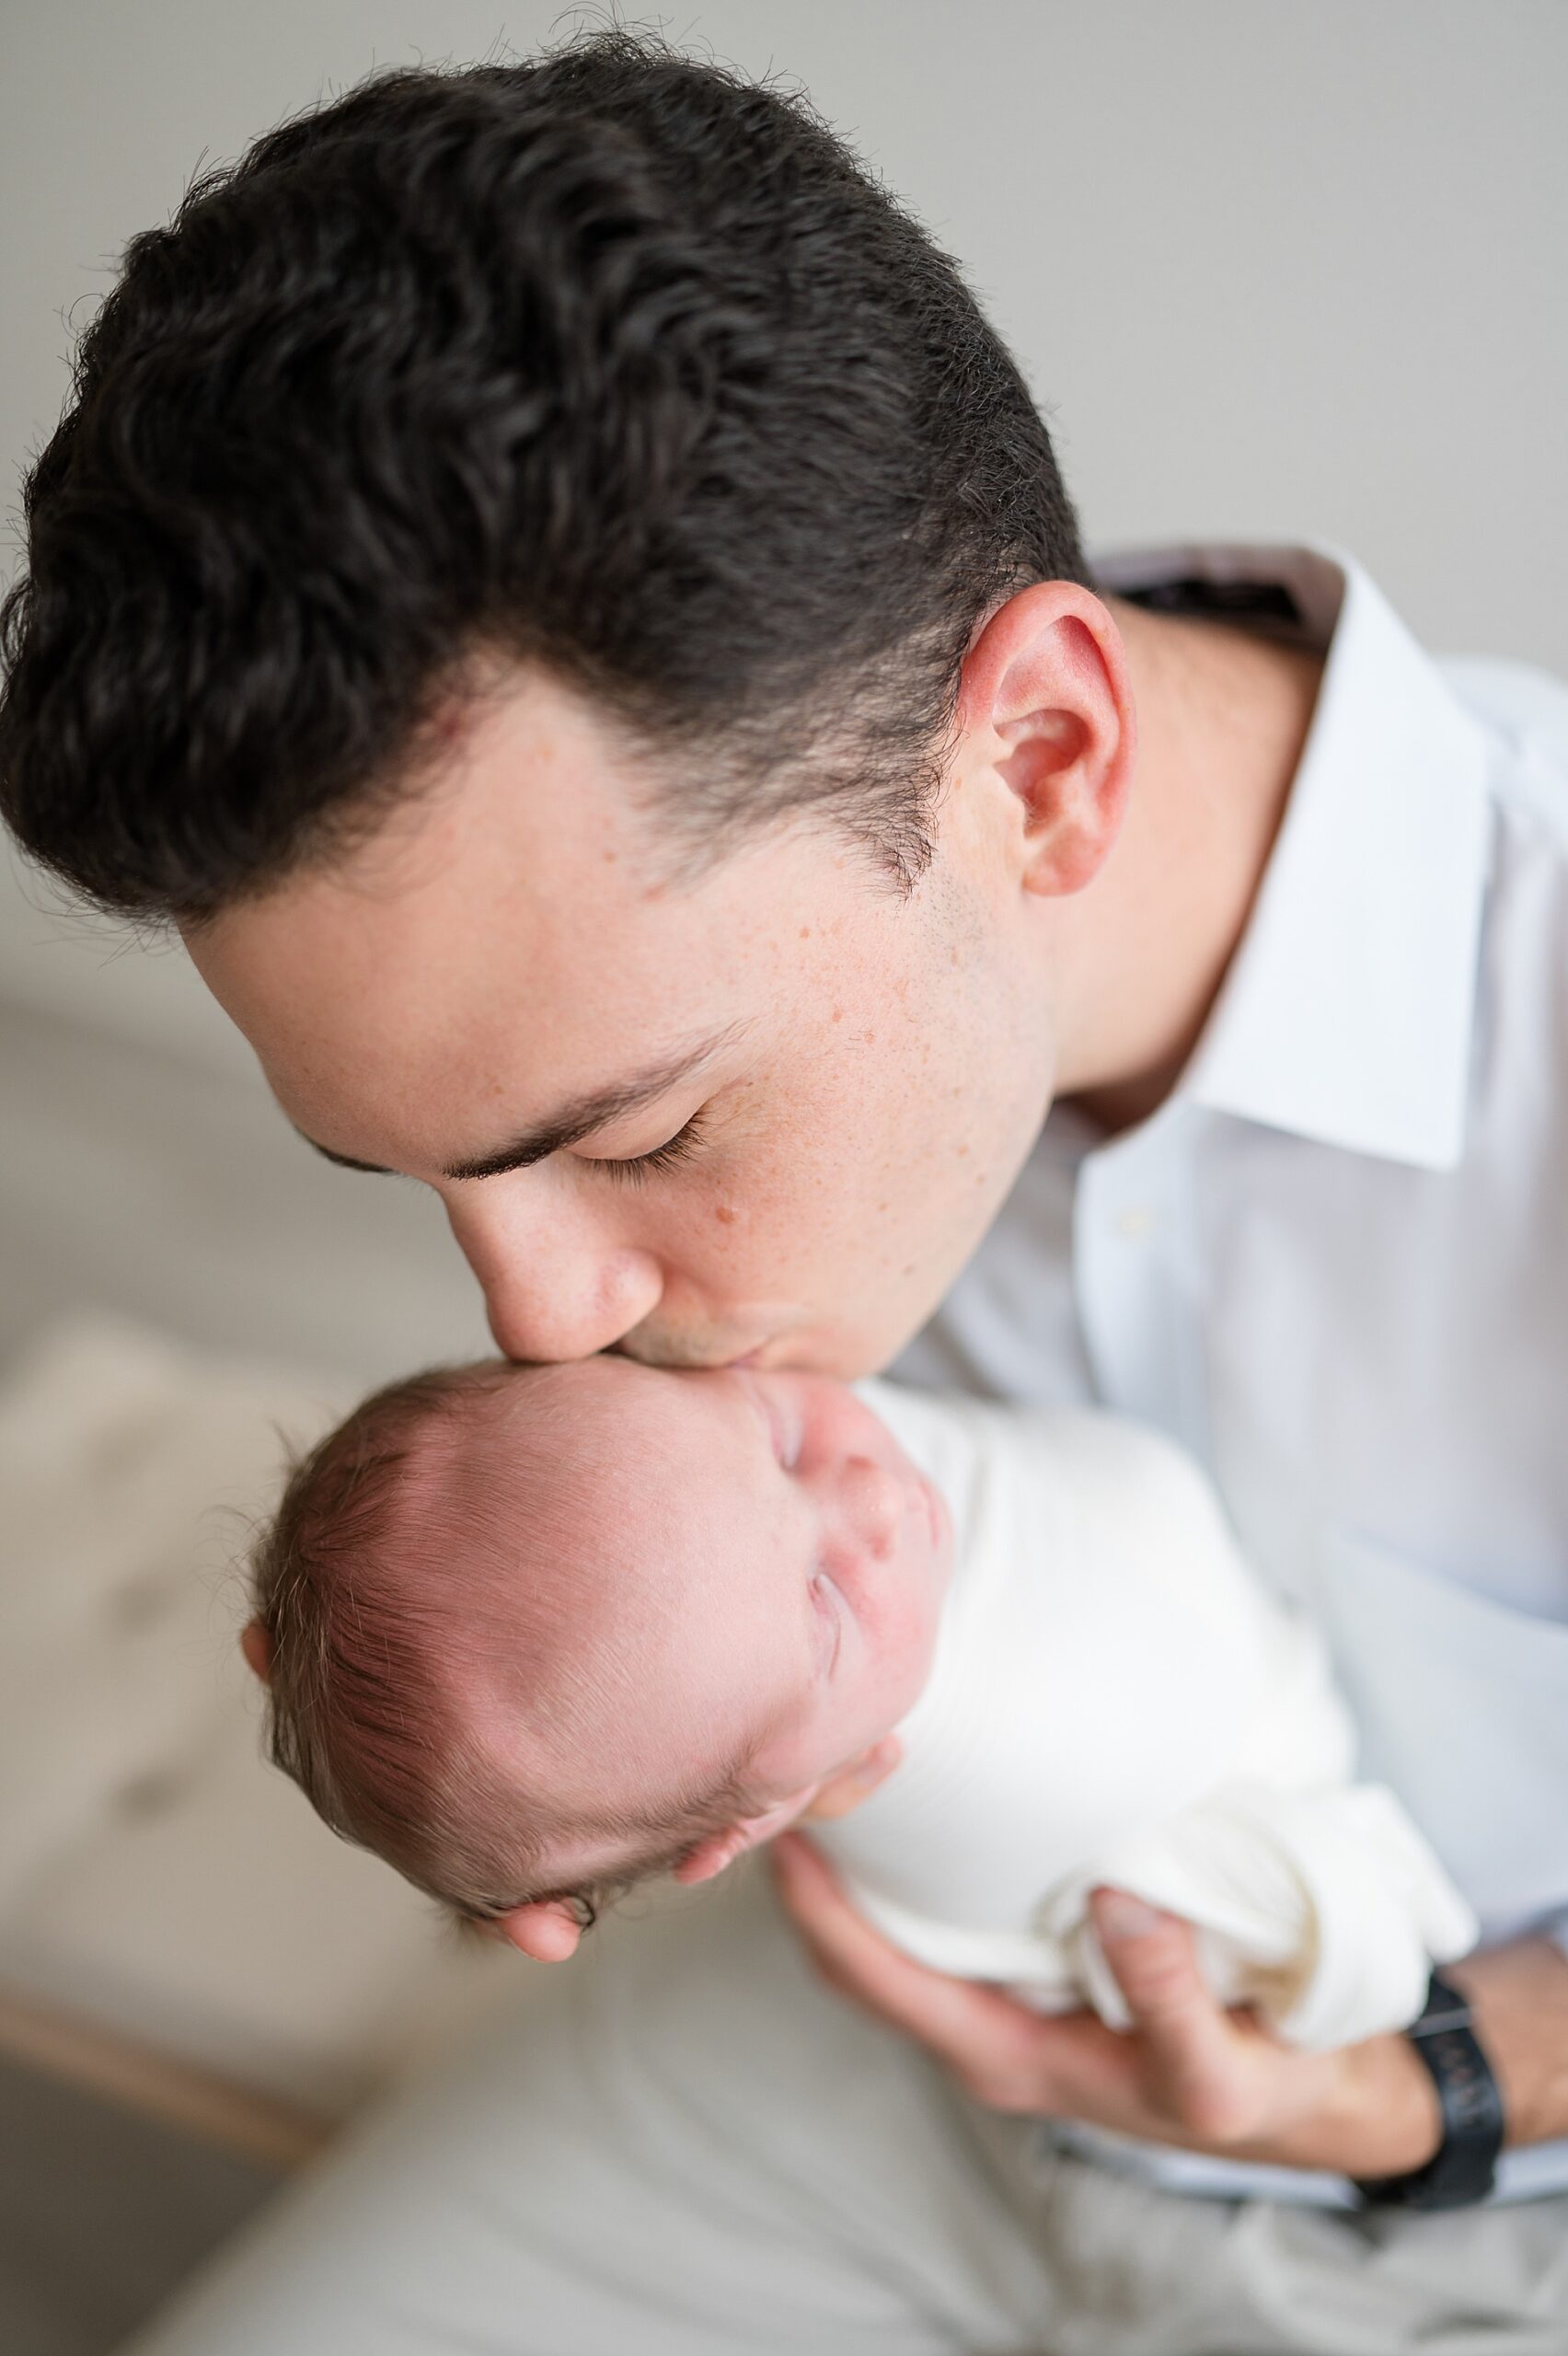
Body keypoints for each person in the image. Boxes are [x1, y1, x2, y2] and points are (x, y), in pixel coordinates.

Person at [2, 28, 1566, 2353]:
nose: (542, 1320)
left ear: (1039, 766)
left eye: (631, 1132)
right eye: (422, 1167)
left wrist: (1412, 2087)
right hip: (871, 2050)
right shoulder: (706, 987)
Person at [244, 1353, 1475, 2052]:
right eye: (824, 1601)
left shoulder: (767, 1531)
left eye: (773, 1439)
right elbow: (1355, 1957)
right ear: (782, 1805)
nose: (871, 1498)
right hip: (1296, 1790)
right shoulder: (1041, 1755)